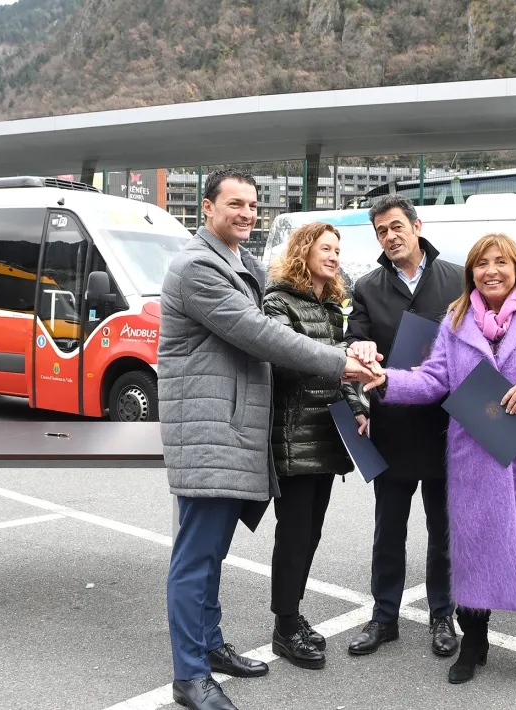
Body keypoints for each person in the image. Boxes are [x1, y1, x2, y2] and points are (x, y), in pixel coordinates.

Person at [158, 169, 380, 710]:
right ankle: (189, 676)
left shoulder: (242, 267)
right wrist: (343, 365)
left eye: (253, 205)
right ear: (206, 209)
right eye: (234, 204)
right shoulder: (198, 268)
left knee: (211, 555)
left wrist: (351, 354)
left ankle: (209, 647)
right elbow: (261, 334)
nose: (247, 213)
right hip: (210, 429)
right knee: (196, 557)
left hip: (231, 430)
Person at [365, 233, 516, 692]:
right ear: (470, 273)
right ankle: (474, 643)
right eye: (482, 264)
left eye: (500, 262)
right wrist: (386, 380)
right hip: (474, 458)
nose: (491, 271)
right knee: (474, 553)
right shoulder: (457, 318)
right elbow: (434, 379)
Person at [343, 194, 463, 658]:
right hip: (390, 425)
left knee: (443, 530)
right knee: (388, 529)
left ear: (416, 226)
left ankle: (442, 617)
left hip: (446, 426)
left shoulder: (457, 279)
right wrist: (362, 349)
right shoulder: (368, 287)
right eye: (380, 231)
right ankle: (384, 617)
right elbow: (356, 337)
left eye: (396, 227)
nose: (389, 237)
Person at [262, 222, 369, 670]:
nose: (334, 255)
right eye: (326, 248)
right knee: (294, 534)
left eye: (337, 249)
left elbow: (341, 365)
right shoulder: (277, 301)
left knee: (312, 533)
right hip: (293, 436)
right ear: (303, 251)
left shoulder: (330, 305)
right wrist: (342, 368)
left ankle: (292, 614)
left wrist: (359, 406)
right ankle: (285, 626)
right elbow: (287, 363)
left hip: (327, 434)